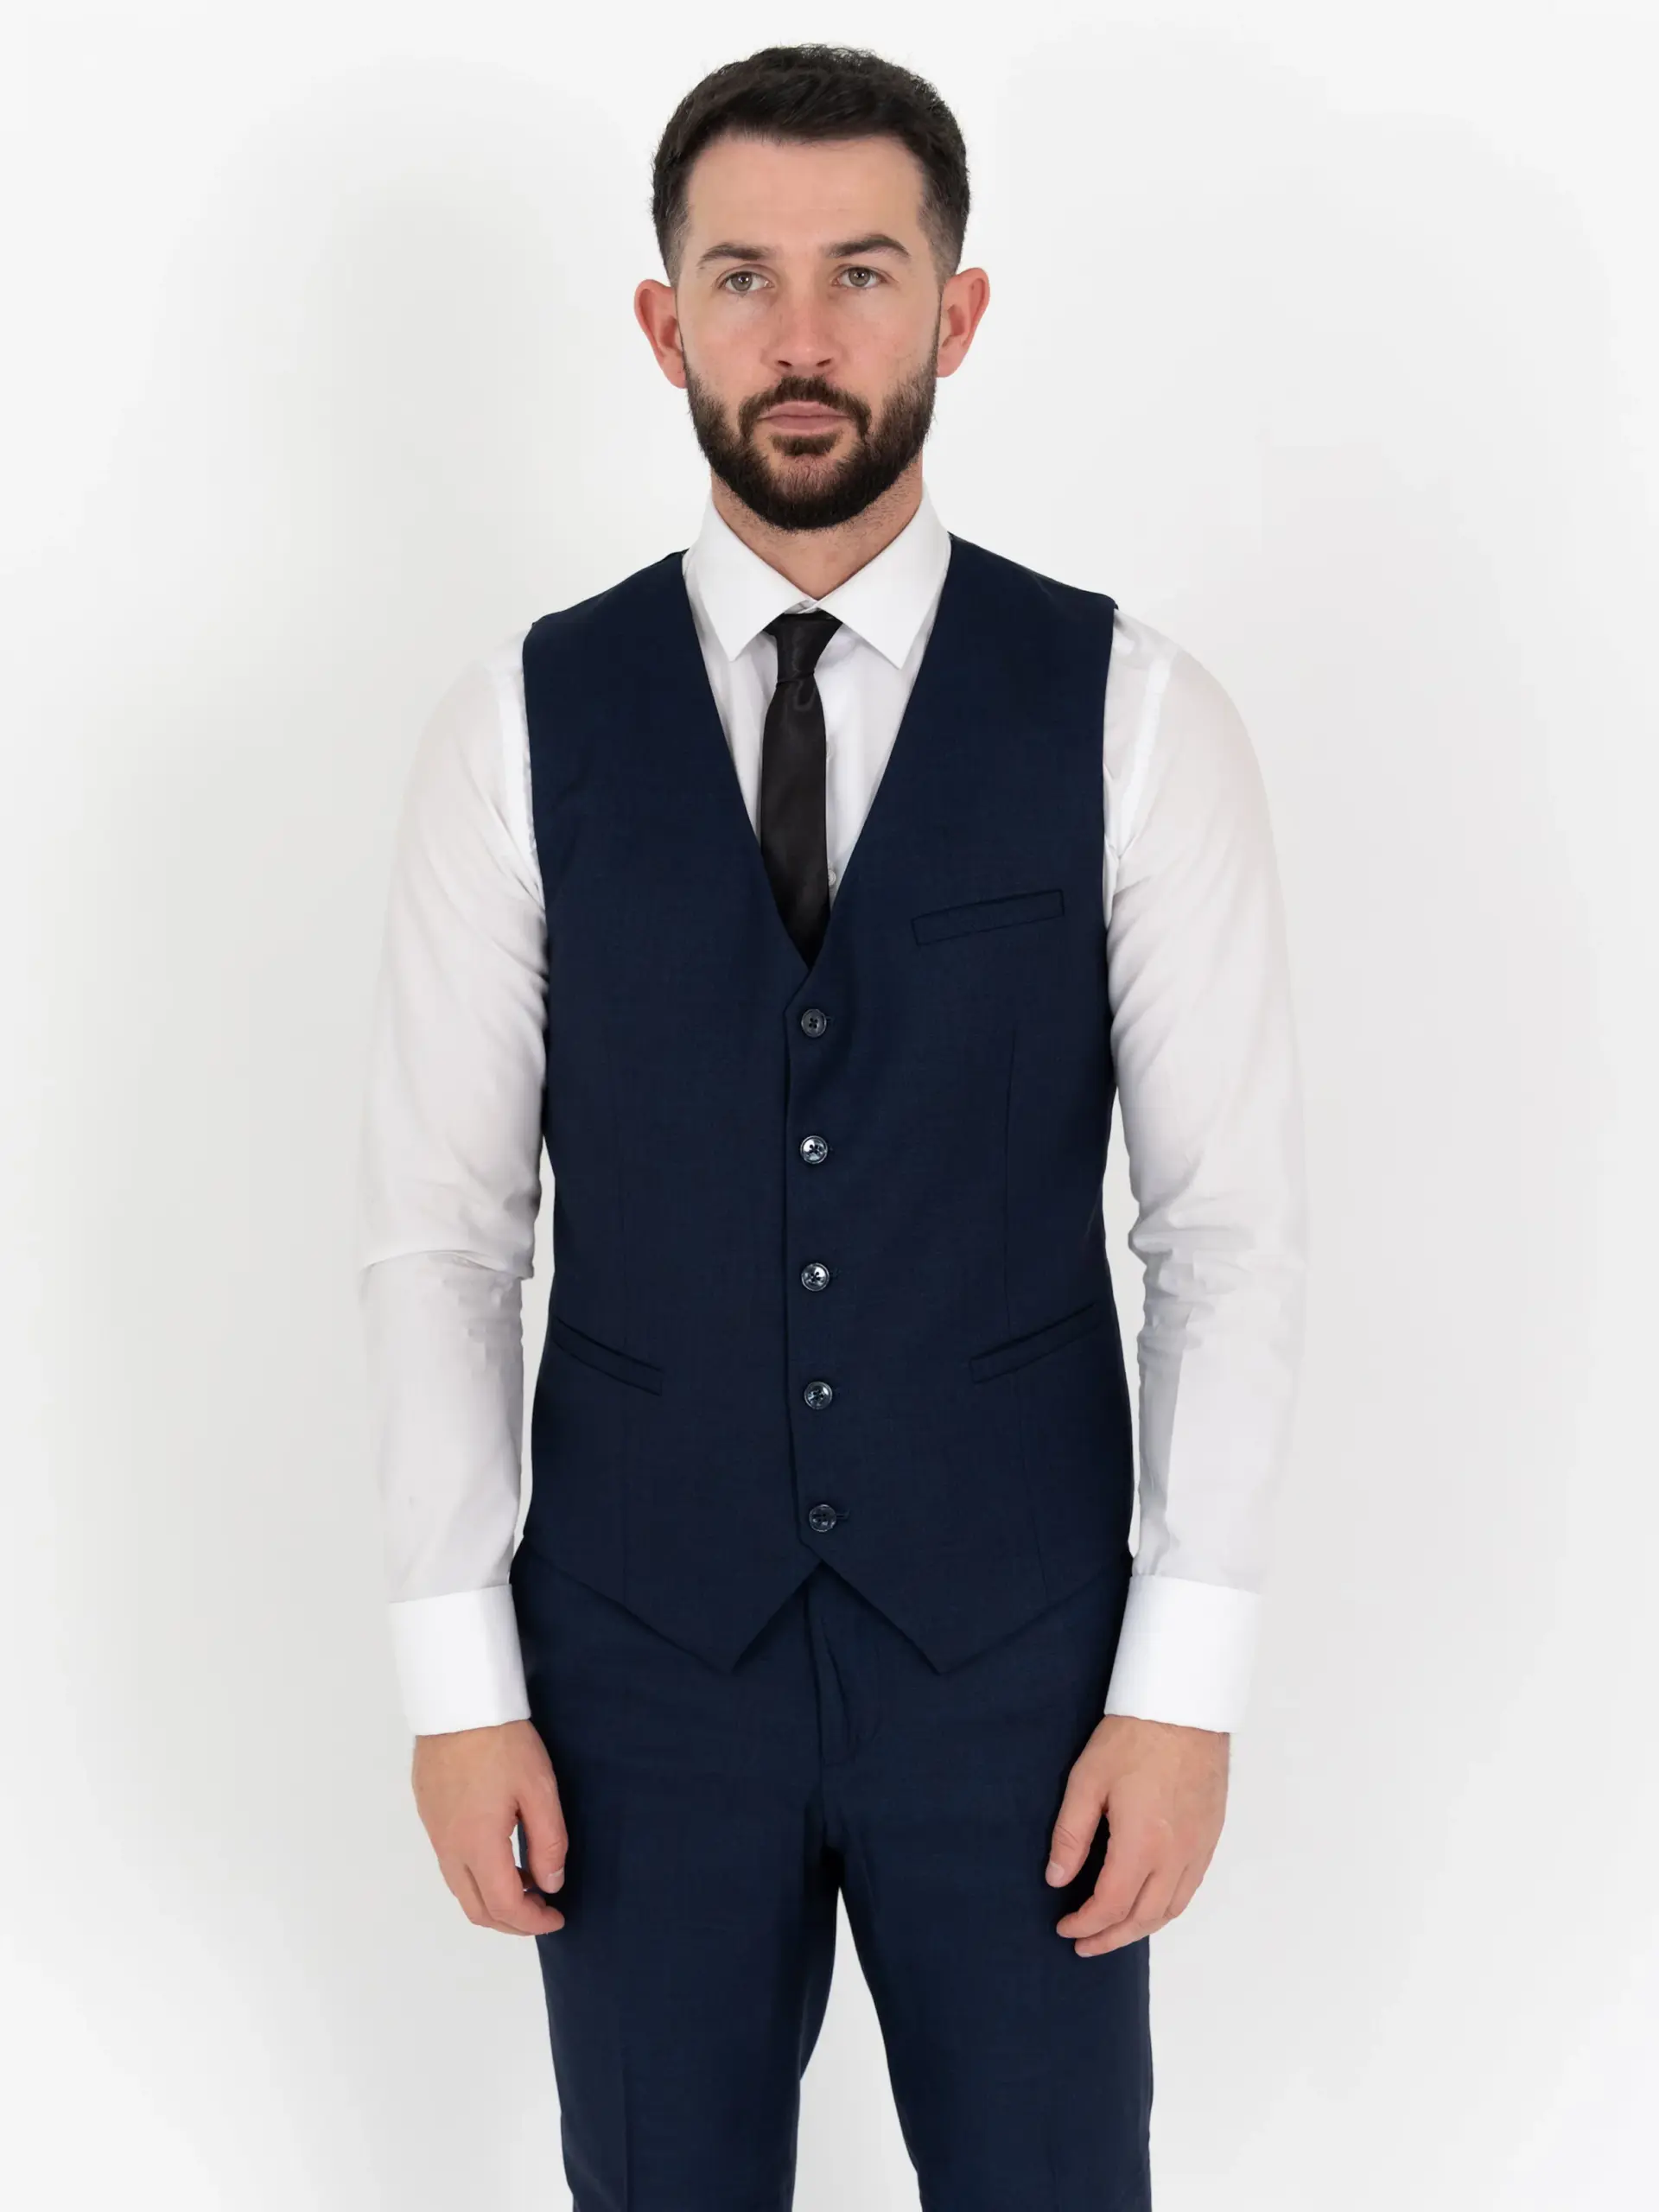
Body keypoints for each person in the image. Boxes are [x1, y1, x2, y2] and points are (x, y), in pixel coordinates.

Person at [356, 41, 1306, 2210]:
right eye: (744, 278)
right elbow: (444, 1230)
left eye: (861, 274)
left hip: (1029, 1676)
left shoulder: (1136, 715)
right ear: (662, 320)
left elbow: (1226, 1226)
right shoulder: (517, 728)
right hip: (632, 1673)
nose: (802, 337)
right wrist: (457, 1679)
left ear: (955, 310)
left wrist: (1184, 1679)